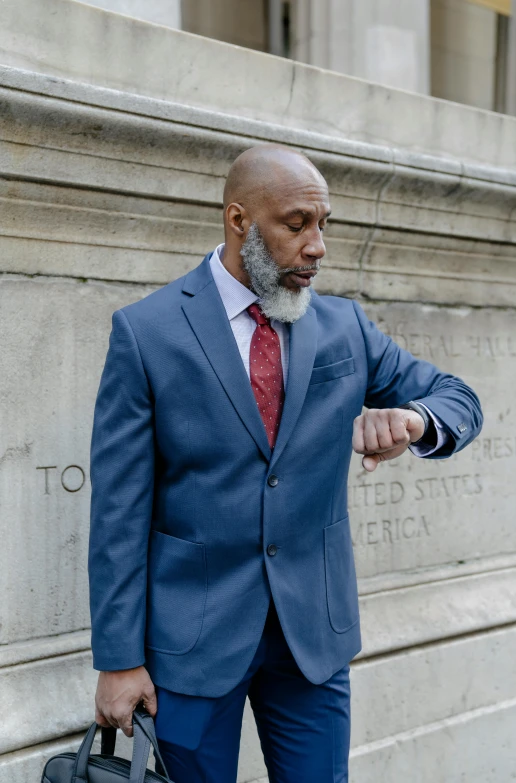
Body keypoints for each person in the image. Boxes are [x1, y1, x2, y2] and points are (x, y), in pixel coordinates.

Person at [88, 144, 483, 782]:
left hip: (312, 640)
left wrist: (414, 422)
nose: (318, 245)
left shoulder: (344, 327)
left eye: (324, 224)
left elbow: (457, 398)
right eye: (297, 224)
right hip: (190, 645)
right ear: (239, 220)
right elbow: (117, 511)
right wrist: (117, 659)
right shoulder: (148, 331)